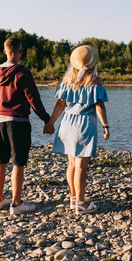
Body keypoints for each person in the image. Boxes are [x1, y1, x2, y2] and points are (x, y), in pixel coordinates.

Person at [0, 37, 51, 215]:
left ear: (5, 51)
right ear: (20, 52)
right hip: (19, 123)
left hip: (0, 121)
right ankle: (16, 203)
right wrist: (47, 120)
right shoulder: (23, 72)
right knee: (18, 163)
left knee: (0, 162)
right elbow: (34, 99)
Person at [44, 45, 109, 214]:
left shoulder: (67, 80)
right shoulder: (95, 81)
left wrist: (50, 123)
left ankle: (74, 199)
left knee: (72, 164)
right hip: (84, 124)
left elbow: (60, 104)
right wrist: (106, 126)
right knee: (81, 166)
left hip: (66, 124)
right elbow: (99, 105)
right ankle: (81, 203)